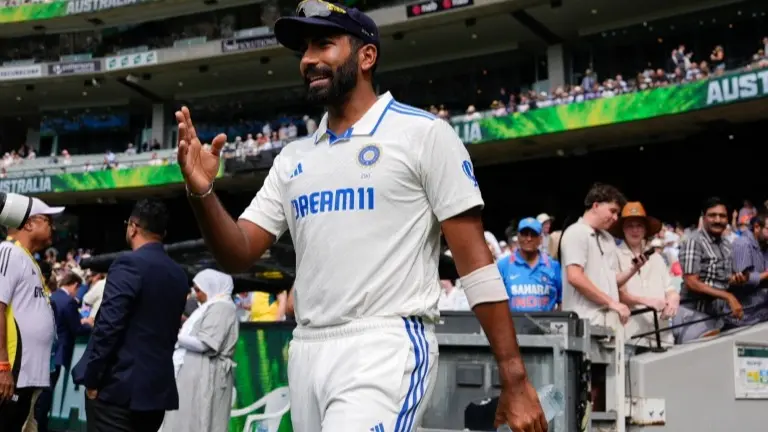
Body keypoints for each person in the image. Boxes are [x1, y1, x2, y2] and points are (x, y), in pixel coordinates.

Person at [175, 1, 547, 431]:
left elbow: (474, 262)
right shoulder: (294, 157)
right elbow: (238, 253)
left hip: (384, 347)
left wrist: (514, 377)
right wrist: (201, 191)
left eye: (324, 44)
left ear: (366, 56)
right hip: (306, 349)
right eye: (305, 50)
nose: (309, 59)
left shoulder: (423, 134)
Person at [72, 200, 190, 432]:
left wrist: (93, 379)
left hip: (119, 391)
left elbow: (108, 326)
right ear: (163, 233)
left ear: (133, 227)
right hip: (155, 393)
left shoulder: (128, 263)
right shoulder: (178, 273)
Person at [0, 198, 62, 432]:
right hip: (12, 373)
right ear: (28, 224)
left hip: (24, 377)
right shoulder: (8, 252)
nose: (52, 227)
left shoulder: (26, 258)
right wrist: (2, 365)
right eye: (47, 220)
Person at [163, 269, 238, 432]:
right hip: (196, 375)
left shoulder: (222, 308)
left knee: (200, 420)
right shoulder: (210, 306)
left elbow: (206, 343)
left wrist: (173, 336)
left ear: (212, 287)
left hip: (207, 375)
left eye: (198, 289)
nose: (195, 294)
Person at [560, 184, 644, 328]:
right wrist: (612, 302)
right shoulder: (576, 232)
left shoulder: (607, 238)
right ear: (596, 205)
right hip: (584, 323)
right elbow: (574, 277)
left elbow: (610, 282)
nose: (615, 218)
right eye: (612, 211)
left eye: (617, 213)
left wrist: (633, 269)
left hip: (608, 323)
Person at [674, 197, 747, 342]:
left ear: (727, 219)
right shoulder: (694, 242)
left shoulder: (726, 245)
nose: (717, 220)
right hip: (692, 316)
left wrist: (738, 279)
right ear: (704, 218)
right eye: (712, 215)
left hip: (716, 317)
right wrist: (728, 297)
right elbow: (691, 282)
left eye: (722, 216)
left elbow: (721, 280)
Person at [610, 202, 679, 347]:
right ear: (623, 229)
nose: (635, 230)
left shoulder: (656, 257)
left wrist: (673, 300)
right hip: (633, 335)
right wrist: (647, 301)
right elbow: (618, 294)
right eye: (630, 225)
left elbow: (670, 289)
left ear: (645, 230)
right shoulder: (614, 255)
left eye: (639, 225)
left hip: (662, 332)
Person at [35, 271, 93, 432]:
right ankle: (41, 426)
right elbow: (77, 328)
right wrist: (88, 324)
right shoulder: (69, 302)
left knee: (40, 393)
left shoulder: (53, 297)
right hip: (59, 353)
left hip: (47, 351)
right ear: (75, 285)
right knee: (47, 393)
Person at [497, 218, 562, 312]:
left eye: (533, 234)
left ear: (540, 239)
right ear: (518, 237)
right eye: (524, 234)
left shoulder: (553, 266)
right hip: (513, 325)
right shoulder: (503, 265)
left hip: (544, 326)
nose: (528, 238)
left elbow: (561, 301)